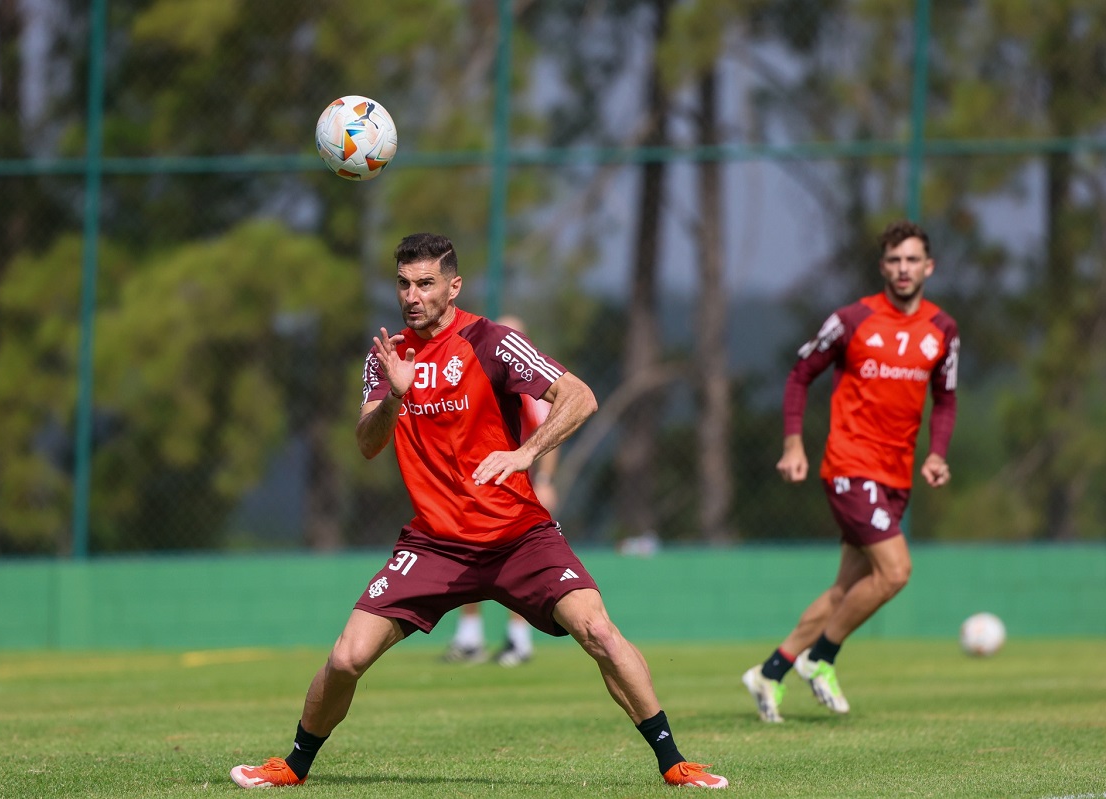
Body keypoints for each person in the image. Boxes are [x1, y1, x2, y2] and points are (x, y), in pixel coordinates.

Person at [231, 233, 728, 789]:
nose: (412, 296)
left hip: (520, 537)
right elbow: (368, 444)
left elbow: (580, 396)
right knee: (347, 658)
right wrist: (395, 395)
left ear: (453, 285)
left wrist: (526, 452)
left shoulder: (493, 341)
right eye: (403, 284)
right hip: (435, 545)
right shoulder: (388, 357)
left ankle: (674, 763)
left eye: (425, 283)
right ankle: (292, 767)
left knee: (600, 633)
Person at [742, 219, 959, 723]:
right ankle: (822, 657)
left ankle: (770, 672)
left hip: (897, 475)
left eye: (912, 260)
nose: (903, 269)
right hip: (849, 464)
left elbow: (945, 400)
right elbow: (800, 375)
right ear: (882, 267)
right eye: (894, 260)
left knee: (846, 590)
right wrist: (794, 444)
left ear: (928, 267)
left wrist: (938, 452)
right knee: (897, 571)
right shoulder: (852, 319)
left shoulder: (942, 330)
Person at [442, 314, 559, 668]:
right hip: (480, 483)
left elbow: (548, 433)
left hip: (517, 488)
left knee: (517, 563)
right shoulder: (479, 372)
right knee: (466, 552)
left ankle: (519, 640)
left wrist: (544, 483)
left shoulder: (529, 381)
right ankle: (470, 636)